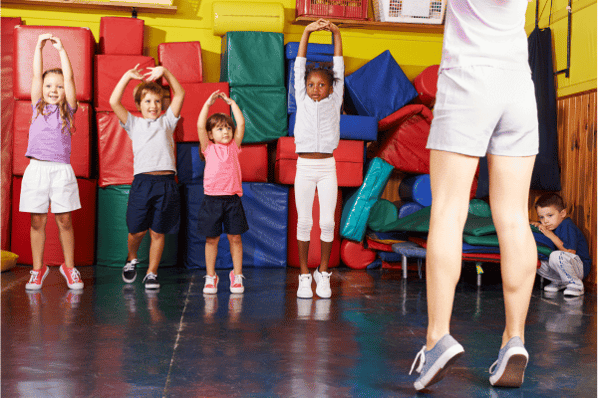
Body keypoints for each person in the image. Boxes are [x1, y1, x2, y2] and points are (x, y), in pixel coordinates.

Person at [409, 0, 539, 390]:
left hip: (469, 78)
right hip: (517, 85)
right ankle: (513, 338)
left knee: (449, 210)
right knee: (515, 217)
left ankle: (437, 338)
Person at [109, 63, 185, 290]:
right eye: (148, 101)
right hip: (143, 183)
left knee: (158, 231)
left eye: (157, 101)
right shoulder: (133, 124)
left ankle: (152, 273)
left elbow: (179, 93)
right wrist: (126, 76)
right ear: (139, 106)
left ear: (162, 104)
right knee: (136, 230)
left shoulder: (167, 121)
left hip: (166, 183)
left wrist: (166, 73)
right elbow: (114, 102)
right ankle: (131, 257)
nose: (153, 105)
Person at [21, 34, 84, 291]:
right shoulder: (37, 106)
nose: (53, 90)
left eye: (58, 87)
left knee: (64, 220)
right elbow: (36, 76)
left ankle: (68, 266)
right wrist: (38, 47)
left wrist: (61, 50)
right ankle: (38, 269)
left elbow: (69, 78)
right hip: (36, 168)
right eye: (49, 86)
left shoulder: (68, 109)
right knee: (37, 221)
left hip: (61, 170)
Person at [294, 19, 343, 299]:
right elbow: (299, 64)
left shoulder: (334, 101)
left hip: (327, 168)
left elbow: (338, 66)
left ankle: (322, 273)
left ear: (329, 88)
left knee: (326, 223)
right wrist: (306, 32)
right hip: (304, 166)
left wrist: (336, 33)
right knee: (304, 222)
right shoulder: (301, 98)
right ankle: (303, 274)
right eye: (311, 84)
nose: (315, 88)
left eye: (321, 85)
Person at [196, 90, 248, 294]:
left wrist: (232, 104)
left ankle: (237, 274)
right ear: (210, 134)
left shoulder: (234, 147)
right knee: (212, 239)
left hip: (232, 200)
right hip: (212, 200)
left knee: (235, 238)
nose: (225, 131)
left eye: (227, 127)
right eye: (219, 129)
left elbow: (241, 124)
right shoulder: (208, 148)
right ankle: (211, 276)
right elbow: (200, 125)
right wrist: (208, 104)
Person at [532, 193, 590, 297]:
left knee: (556, 255)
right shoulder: (550, 226)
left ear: (562, 213)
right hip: (562, 265)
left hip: (579, 267)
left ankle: (576, 284)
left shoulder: (567, 225)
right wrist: (537, 224)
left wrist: (550, 235)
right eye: (541, 217)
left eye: (550, 215)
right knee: (534, 258)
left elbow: (570, 252)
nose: (545, 221)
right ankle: (560, 282)